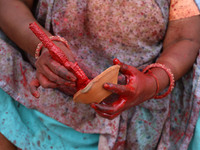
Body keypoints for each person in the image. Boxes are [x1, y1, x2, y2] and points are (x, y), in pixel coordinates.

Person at [0, 0, 199, 149]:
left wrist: (153, 81)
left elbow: (186, 39)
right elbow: (9, 4)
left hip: (139, 113)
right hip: (39, 104)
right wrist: (42, 46)